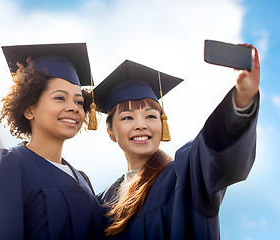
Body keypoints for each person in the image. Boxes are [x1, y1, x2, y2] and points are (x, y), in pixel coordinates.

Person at [95, 44, 260, 239]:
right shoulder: (103, 201)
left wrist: (243, 97)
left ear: (162, 124)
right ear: (111, 133)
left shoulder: (186, 173)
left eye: (150, 116)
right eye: (127, 118)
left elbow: (213, 147)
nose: (141, 125)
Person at [0, 43, 104, 239]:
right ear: (29, 109)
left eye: (79, 101)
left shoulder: (83, 180)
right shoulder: (8, 165)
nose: (73, 107)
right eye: (60, 98)